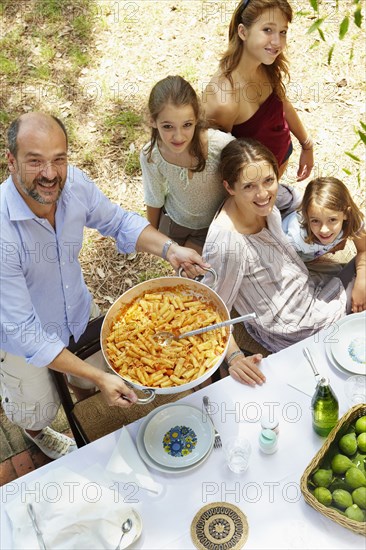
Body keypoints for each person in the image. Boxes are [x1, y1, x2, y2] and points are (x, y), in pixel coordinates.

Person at [0, 112, 209, 460]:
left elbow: (118, 221)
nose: (50, 174)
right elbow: (26, 333)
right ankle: (36, 433)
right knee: (36, 409)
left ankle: (90, 410)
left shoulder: (75, 186)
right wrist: (99, 379)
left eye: (58, 160)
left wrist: (171, 250)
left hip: (78, 312)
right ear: (11, 161)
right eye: (35, 162)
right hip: (21, 339)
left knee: (91, 383)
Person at [201, 138, 354, 386]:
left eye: (268, 180)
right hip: (297, 324)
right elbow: (211, 309)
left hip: (308, 289)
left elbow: (305, 201)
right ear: (229, 187)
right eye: (249, 186)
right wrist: (234, 357)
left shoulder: (270, 199)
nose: (263, 194)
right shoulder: (227, 245)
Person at [202, 0, 313, 205]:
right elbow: (218, 164)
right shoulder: (224, 99)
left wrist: (306, 145)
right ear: (243, 32)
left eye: (283, 32)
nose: (277, 42)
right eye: (267, 30)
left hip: (273, 178)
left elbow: (282, 104)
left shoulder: (265, 63)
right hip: (253, 199)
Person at [140, 75, 235, 253]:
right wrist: (151, 238)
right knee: (182, 275)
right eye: (168, 126)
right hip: (175, 223)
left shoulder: (220, 146)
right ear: (153, 121)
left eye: (187, 125)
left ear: (197, 118)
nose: (178, 136)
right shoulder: (151, 155)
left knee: (198, 274)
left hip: (213, 226)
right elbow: (154, 198)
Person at [282, 177, 366, 312]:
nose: (324, 230)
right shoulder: (295, 237)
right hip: (288, 261)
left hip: (308, 258)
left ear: (346, 214)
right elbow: (280, 268)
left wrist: (362, 283)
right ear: (306, 216)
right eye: (315, 221)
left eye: (332, 220)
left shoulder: (353, 222)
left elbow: (364, 250)